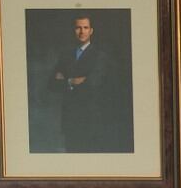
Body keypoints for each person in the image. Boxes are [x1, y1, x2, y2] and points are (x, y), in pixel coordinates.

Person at [50, 15, 127, 153]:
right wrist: (72, 81)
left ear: (91, 31)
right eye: (78, 27)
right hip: (70, 120)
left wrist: (65, 79)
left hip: (90, 120)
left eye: (85, 27)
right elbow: (52, 84)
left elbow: (92, 84)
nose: (82, 31)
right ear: (73, 30)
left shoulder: (100, 56)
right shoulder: (65, 55)